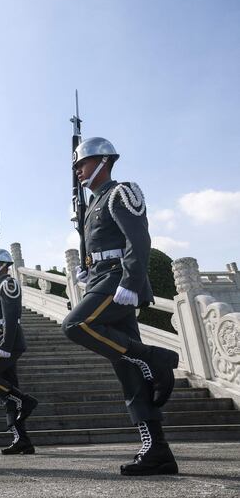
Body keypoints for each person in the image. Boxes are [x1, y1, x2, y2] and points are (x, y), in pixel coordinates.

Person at [62, 137, 179, 476]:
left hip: (117, 280)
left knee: (75, 326)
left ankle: (156, 358)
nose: (78, 171)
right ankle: (157, 450)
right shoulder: (92, 204)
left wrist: (131, 281)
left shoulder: (121, 192)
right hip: (101, 279)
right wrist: (87, 265)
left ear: (103, 161)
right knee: (127, 369)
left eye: (82, 164)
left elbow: (138, 239)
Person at [0, 248, 38, 455]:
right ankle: (22, 439)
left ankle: (25, 401)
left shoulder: (8, 283)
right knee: (8, 391)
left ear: (3, 265)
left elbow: (11, 318)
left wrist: (5, 345)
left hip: (6, 342)